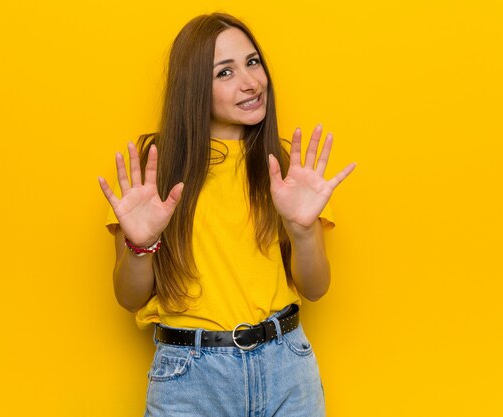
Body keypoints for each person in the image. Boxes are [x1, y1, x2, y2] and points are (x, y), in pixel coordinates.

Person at [98, 12, 356, 417]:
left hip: (286, 366)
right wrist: (140, 244)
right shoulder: (155, 169)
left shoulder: (288, 170)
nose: (250, 82)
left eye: (253, 62)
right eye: (225, 72)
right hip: (189, 379)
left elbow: (317, 287)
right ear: (194, 88)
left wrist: (303, 231)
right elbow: (129, 297)